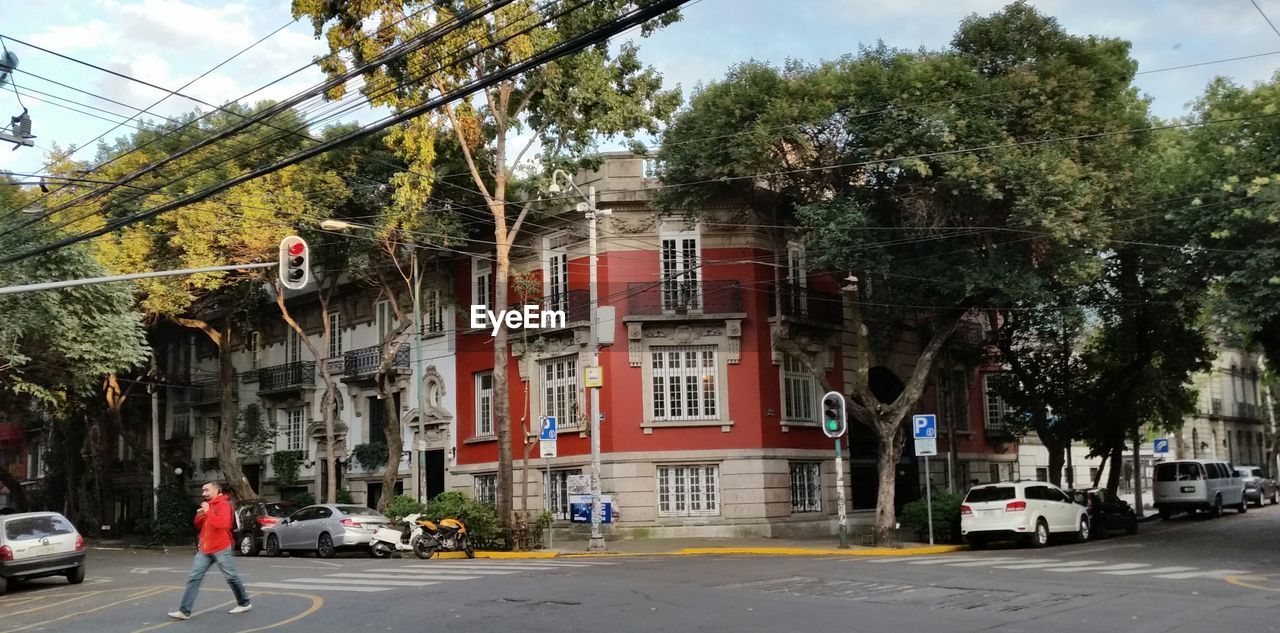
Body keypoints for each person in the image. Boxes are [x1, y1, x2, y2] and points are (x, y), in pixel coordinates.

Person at [168, 482, 252, 620]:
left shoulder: (224, 504)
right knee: (194, 578)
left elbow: (222, 524)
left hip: (221, 546)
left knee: (231, 576)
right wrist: (200, 516)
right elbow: (198, 524)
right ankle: (184, 611)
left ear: (217, 490)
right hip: (205, 548)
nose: (203, 494)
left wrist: (208, 511)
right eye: (202, 491)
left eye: (206, 490)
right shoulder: (209, 505)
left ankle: (244, 602)